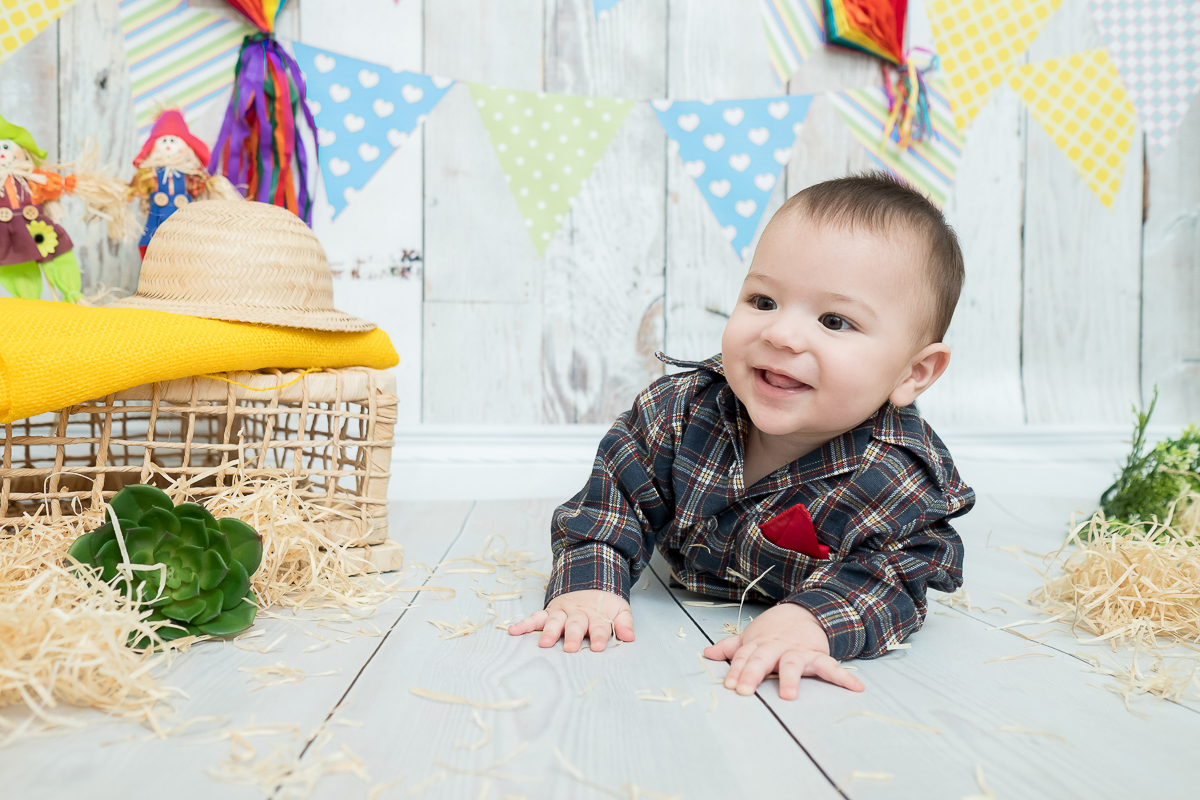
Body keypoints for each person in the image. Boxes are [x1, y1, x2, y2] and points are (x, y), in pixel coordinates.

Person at [509, 172, 975, 700]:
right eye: (763, 301)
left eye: (834, 321)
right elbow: (611, 504)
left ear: (914, 373)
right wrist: (591, 582)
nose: (780, 333)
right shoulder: (679, 413)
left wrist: (809, 622)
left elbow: (897, 575)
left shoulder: (896, 475)